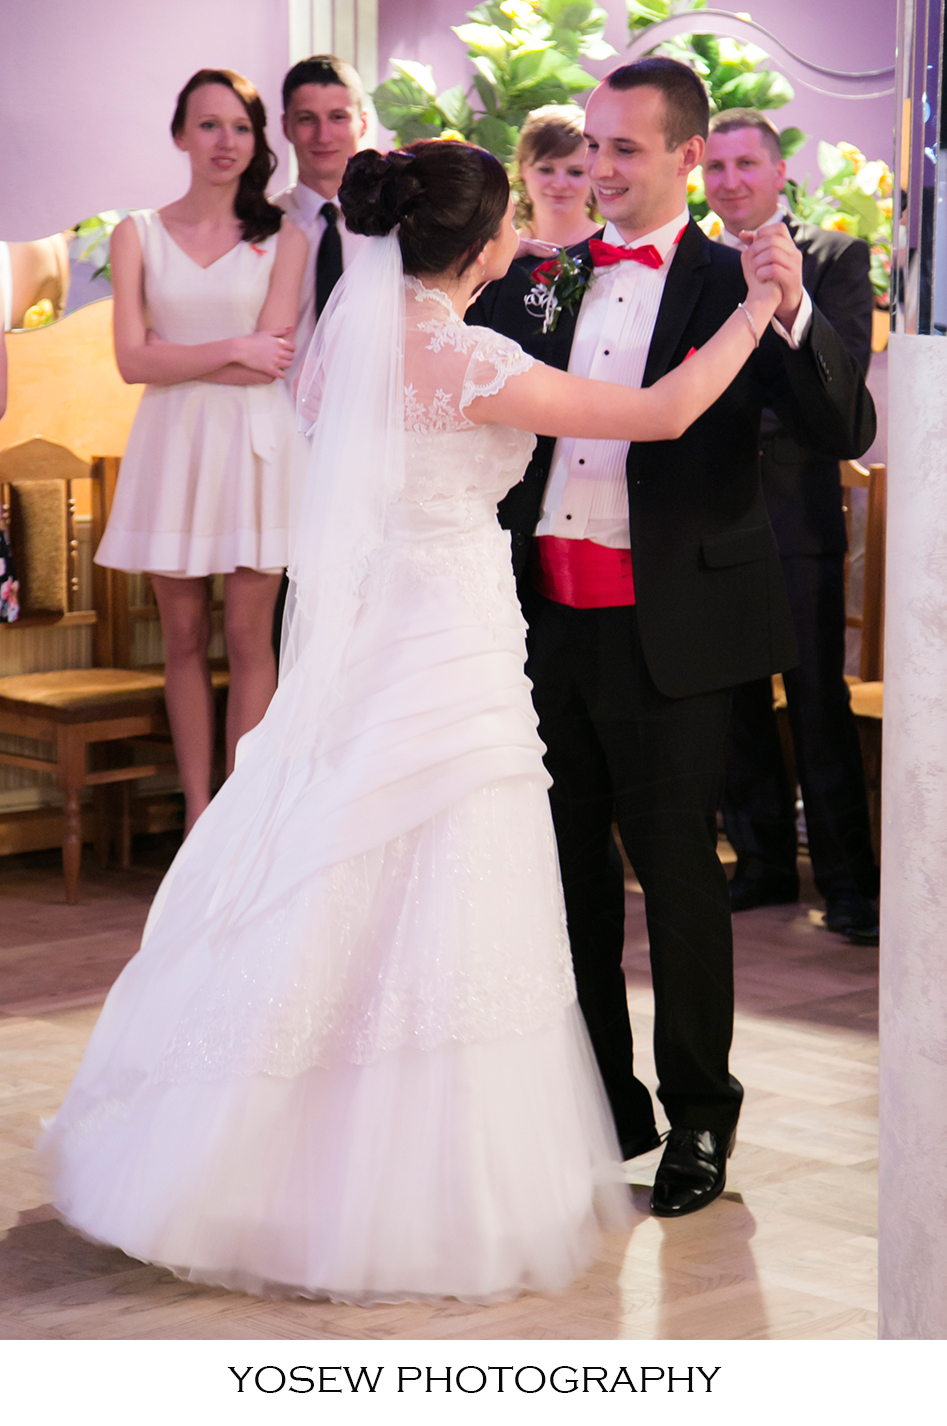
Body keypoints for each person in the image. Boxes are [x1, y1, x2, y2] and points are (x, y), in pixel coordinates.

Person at [42, 138, 787, 1303]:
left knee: (339, 868)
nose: (521, 234)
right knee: (448, 872)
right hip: (450, 635)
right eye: (509, 221)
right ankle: (419, 1181)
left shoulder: (344, 349)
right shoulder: (470, 359)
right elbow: (660, 411)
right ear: (481, 243)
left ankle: (256, 1148)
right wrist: (753, 311)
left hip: (370, 635)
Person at [469, 58, 876, 1218]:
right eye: (589, 146)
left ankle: (699, 1114)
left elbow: (840, 425)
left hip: (676, 630)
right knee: (568, 876)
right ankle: (602, 1102)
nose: (597, 169)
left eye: (623, 149)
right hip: (537, 623)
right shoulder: (541, 278)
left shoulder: (728, 281)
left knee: (681, 882)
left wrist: (787, 310)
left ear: (687, 158)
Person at [95, 69, 307, 834]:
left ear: (257, 141)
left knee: (251, 638)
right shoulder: (137, 234)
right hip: (172, 447)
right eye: (210, 125)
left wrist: (178, 355)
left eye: (241, 127)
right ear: (181, 135)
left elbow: (269, 362)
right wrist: (232, 346)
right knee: (181, 639)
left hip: (255, 447)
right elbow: (130, 362)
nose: (226, 141)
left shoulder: (285, 238)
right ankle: (196, 812)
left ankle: (239, 823)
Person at [702, 108, 880, 943]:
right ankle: (762, 861)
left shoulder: (835, 257)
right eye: (717, 167)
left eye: (746, 165)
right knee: (734, 700)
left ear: (779, 174)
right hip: (713, 514)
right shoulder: (696, 264)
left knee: (816, 699)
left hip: (795, 513)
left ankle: (848, 884)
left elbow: (841, 383)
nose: (730, 180)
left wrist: (787, 305)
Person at [272, 54, 369, 390]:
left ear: (363, 123)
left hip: (371, 409)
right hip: (280, 410)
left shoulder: (396, 229)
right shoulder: (261, 227)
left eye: (338, 117)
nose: (323, 135)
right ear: (286, 126)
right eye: (307, 119)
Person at [513, 105, 600, 255]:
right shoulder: (501, 255)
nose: (560, 184)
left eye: (575, 172)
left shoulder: (615, 250)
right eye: (546, 170)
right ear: (523, 169)